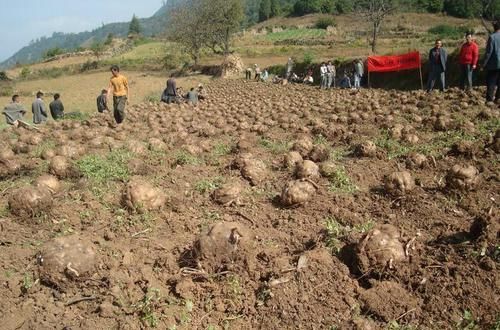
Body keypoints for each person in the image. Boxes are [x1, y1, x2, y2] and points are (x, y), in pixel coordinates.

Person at [484, 21, 500, 103]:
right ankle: (498, 98)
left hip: (494, 64)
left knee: (491, 82)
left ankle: (489, 99)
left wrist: (484, 64)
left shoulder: (492, 37)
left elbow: (489, 52)